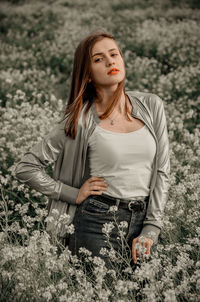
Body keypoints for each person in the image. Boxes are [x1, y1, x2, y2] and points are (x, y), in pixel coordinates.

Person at [14, 29, 170, 270]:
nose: (110, 61)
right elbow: (25, 167)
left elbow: (162, 170)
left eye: (114, 54)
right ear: (87, 75)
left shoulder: (151, 105)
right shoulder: (79, 120)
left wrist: (152, 227)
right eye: (99, 59)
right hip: (96, 222)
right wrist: (70, 193)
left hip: (143, 221)